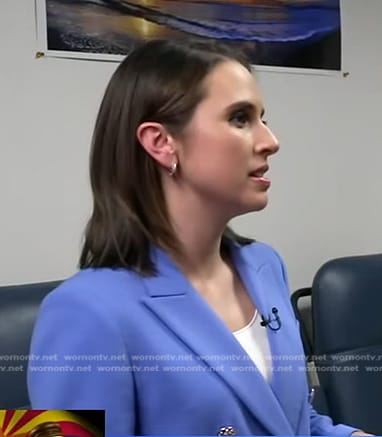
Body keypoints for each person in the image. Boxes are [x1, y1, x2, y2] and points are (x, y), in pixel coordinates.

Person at [27, 39, 369, 436]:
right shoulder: (77, 311)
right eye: (240, 119)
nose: (270, 141)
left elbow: (294, 424)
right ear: (161, 142)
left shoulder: (265, 265)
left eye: (263, 117)